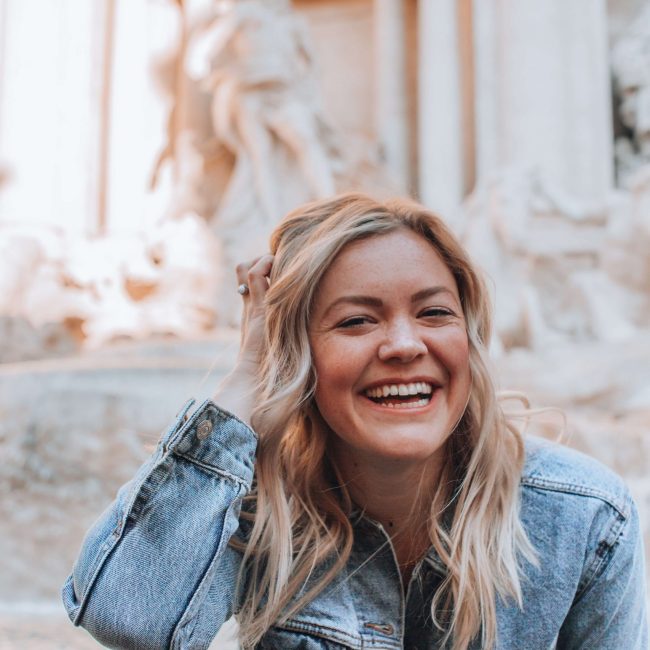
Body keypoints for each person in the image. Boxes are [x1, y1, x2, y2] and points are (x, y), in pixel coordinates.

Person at [62, 194, 648, 649]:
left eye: (434, 313)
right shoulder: (256, 505)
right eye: (356, 321)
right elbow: (126, 618)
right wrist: (246, 381)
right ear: (297, 354)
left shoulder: (586, 516)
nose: (404, 344)